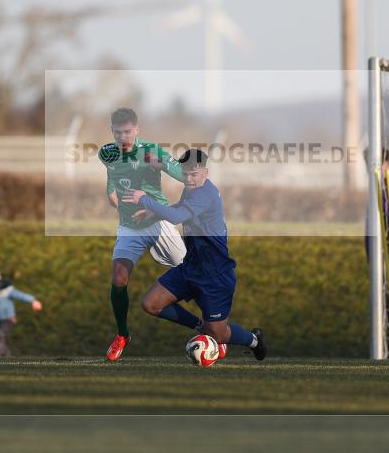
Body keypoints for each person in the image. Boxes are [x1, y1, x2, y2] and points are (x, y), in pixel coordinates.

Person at [122, 149, 267, 361]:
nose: (189, 178)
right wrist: (153, 213)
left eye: (194, 174)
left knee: (219, 334)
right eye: (186, 173)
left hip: (215, 274)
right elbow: (181, 208)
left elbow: (176, 216)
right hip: (190, 267)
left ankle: (253, 339)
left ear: (205, 172)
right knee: (151, 303)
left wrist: (145, 200)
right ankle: (202, 328)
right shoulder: (192, 189)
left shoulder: (205, 194)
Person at [98, 107, 188, 361]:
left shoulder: (151, 151)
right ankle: (123, 335)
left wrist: (160, 164)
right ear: (112, 132)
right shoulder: (106, 153)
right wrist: (111, 193)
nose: (123, 138)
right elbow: (112, 176)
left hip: (158, 223)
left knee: (194, 276)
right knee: (118, 278)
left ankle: (214, 330)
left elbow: (183, 175)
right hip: (129, 227)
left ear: (137, 130)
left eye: (128, 132)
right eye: (118, 133)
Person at [364, 148, 389, 356]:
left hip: (387, 254)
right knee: (378, 300)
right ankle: (383, 345)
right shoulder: (374, 190)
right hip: (375, 255)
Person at [0, 266, 42, 357]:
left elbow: (20, 295)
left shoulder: (7, 291)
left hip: (7, 319)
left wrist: (33, 301)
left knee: (1, 334)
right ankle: (6, 356)